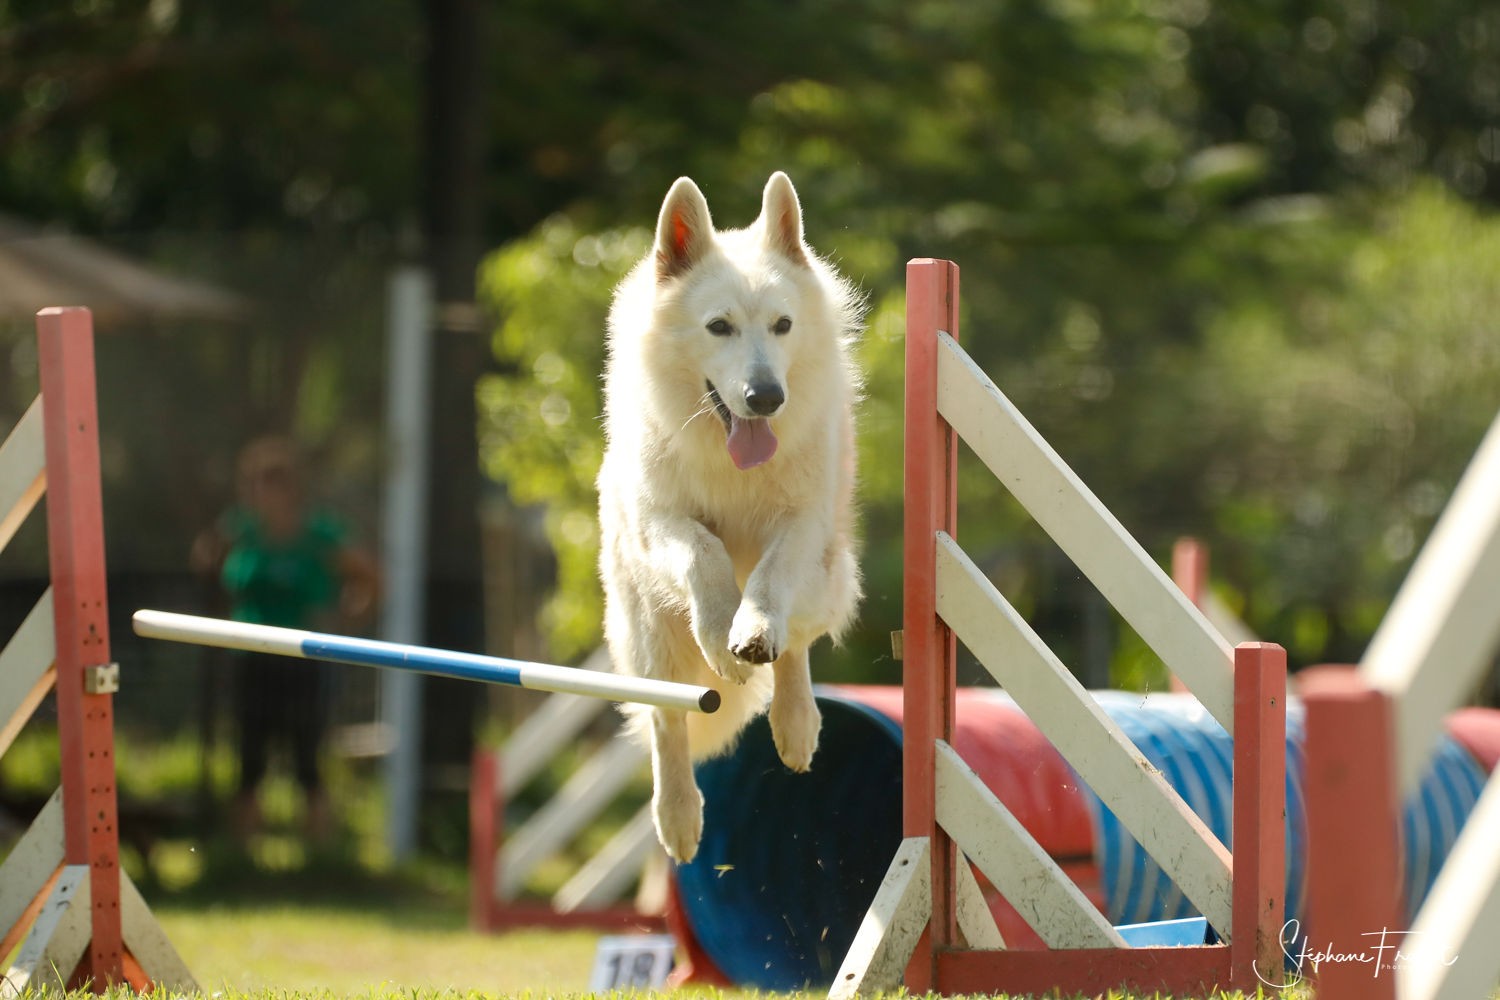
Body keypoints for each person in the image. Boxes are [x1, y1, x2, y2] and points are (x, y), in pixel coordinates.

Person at [192, 436, 380, 844]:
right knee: (249, 758)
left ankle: (319, 857)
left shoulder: (320, 533)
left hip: (304, 660)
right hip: (251, 657)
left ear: (291, 488)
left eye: (270, 483)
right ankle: (242, 857)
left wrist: (350, 621)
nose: (261, 493)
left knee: (306, 759)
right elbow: (205, 560)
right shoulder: (242, 528)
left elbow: (370, 577)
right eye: (255, 484)